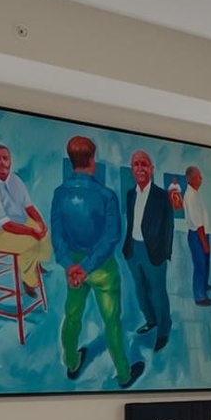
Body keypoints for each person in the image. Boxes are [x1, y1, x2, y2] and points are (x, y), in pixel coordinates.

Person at [51, 136, 142, 389]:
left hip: (73, 268)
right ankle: (123, 374)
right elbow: (111, 237)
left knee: (72, 315)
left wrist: (71, 265)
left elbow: (57, 237)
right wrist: (88, 267)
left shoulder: (59, 194)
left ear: (72, 160)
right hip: (102, 267)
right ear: (92, 159)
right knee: (112, 321)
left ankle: (72, 363)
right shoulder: (106, 195)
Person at [0, 143, 51, 300]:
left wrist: (40, 223)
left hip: (18, 225)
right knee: (31, 239)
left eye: (5, 158)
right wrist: (31, 231)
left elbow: (29, 206)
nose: (2, 162)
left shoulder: (16, 180)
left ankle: (36, 262)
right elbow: (6, 225)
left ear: (10, 160)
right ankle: (28, 280)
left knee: (44, 232)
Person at [121, 149, 174, 350]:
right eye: (136, 164)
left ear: (152, 169)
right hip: (133, 251)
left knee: (158, 293)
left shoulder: (162, 196)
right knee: (141, 290)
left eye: (144, 164)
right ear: (132, 169)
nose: (140, 168)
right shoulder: (130, 195)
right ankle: (151, 320)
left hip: (154, 252)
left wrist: (164, 254)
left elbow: (169, 227)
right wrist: (127, 248)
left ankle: (164, 331)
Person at [182, 165, 211, 307]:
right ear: (192, 179)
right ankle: (200, 296)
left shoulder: (194, 193)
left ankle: (204, 284)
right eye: (199, 177)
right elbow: (197, 223)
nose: (201, 179)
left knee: (205, 262)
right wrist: (204, 243)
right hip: (197, 235)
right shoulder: (190, 197)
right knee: (200, 264)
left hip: (202, 233)